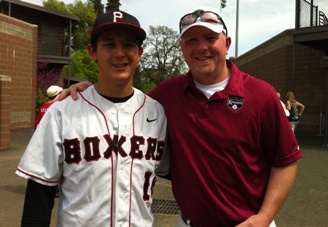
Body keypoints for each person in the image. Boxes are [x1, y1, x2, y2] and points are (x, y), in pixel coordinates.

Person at [60, 7, 303, 227]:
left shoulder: (261, 95)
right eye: (191, 40)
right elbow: (125, 102)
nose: (201, 47)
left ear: (226, 44)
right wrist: (90, 89)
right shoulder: (166, 94)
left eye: (210, 38)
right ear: (182, 47)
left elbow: (285, 161)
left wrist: (263, 217)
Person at [16, 10, 168, 226]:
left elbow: (176, 173)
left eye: (128, 45)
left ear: (140, 52)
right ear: (92, 51)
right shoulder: (63, 111)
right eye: (109, 44)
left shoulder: (156, 113)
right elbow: (40, 192)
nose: (119, 53)